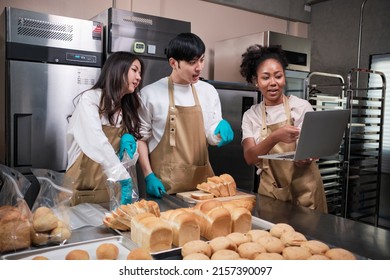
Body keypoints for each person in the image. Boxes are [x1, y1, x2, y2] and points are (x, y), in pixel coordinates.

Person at [138, 32, 234, 198]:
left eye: (202, 60)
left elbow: (211, 136)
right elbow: (141, 138)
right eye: (192, 62)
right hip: (165, 188)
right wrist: (148, 176)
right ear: (174, 63)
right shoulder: (150, 94)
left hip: (202, 190)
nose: (199, 67)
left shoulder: (208, 92)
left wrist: (220, 130)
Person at [240, 44, 328, 213]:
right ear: (255, 81)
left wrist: (306, 158)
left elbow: (311, 149)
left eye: (278, 76)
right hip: (271, 193)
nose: (273, 83)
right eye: (265, 77)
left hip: (306, 190)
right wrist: (275, 136)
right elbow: (250, 157)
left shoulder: (301, 107)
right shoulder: (251, 115)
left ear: (284, 77)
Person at [65, 51, 143, 207]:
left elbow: (125, 161)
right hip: (81, 187)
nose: (139, 77)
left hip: (109, 190)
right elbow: (96, 141)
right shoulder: (90, 99)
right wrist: (122, 177)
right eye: (134, 70)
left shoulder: (126, 108)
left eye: (140, 73)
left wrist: (130, 149)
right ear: (118, 69)